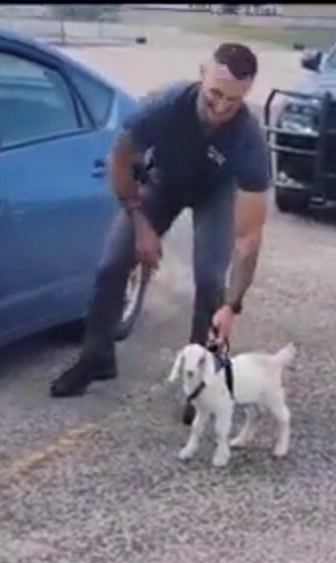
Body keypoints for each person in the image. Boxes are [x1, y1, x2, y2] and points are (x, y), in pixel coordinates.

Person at [50, 42, 272, 426]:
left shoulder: (249, 139)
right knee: (112, 264)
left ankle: (204, 379)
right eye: (214, 94)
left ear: (247, 93)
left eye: (232, 101)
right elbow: (119, 162)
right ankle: (96, 358)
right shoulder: (165, 106)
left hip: (214, 194)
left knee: (209, 280)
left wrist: (233, 305)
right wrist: (142, 226)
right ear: (202, 74)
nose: (220, 108)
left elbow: (249, 236)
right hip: (163, 182)